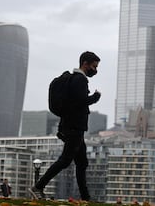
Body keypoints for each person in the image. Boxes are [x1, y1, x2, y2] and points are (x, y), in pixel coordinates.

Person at [29, 51, 101, 200]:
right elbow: (80, 101)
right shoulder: (80, 79)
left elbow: (73, 103)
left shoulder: (75, 79)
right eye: (94, 66)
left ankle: (85, 198)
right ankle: (38, 187)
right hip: (74, 127)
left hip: (73, 127)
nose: (95, 70)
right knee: (65, 160)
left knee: (82, 162)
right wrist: (95, 97)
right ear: (85, 64)